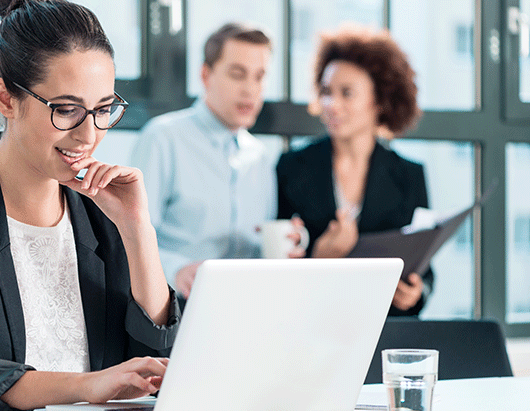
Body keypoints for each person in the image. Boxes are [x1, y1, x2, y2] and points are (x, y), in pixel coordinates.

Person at [0, 0, 180, 411]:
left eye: (103, 110)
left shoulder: (104, 212)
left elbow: (159, 370)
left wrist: (137, 230)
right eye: (67, 109)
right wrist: (85, 385)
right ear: (6, 99)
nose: (88, 135)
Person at [131, 23, 302, 301]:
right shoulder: (163, 138)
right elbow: (129, 238)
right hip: (175, 305)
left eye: (259, 77)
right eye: (238, 74)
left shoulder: (259, 157)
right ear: (205, 75)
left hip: (246, 307)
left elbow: (254, 250)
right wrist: (177, 270)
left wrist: (282, 246)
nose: (250, 89)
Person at [276, 25, 433, 316]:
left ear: (379, 101)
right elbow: (273, 268)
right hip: (310, 325)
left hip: (384, 329)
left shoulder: (409, 175)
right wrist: (320, 258)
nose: (331, 105)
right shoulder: (291, 167)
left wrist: (416, 292)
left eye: (347, 93)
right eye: (325, 92)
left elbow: (425, 270)